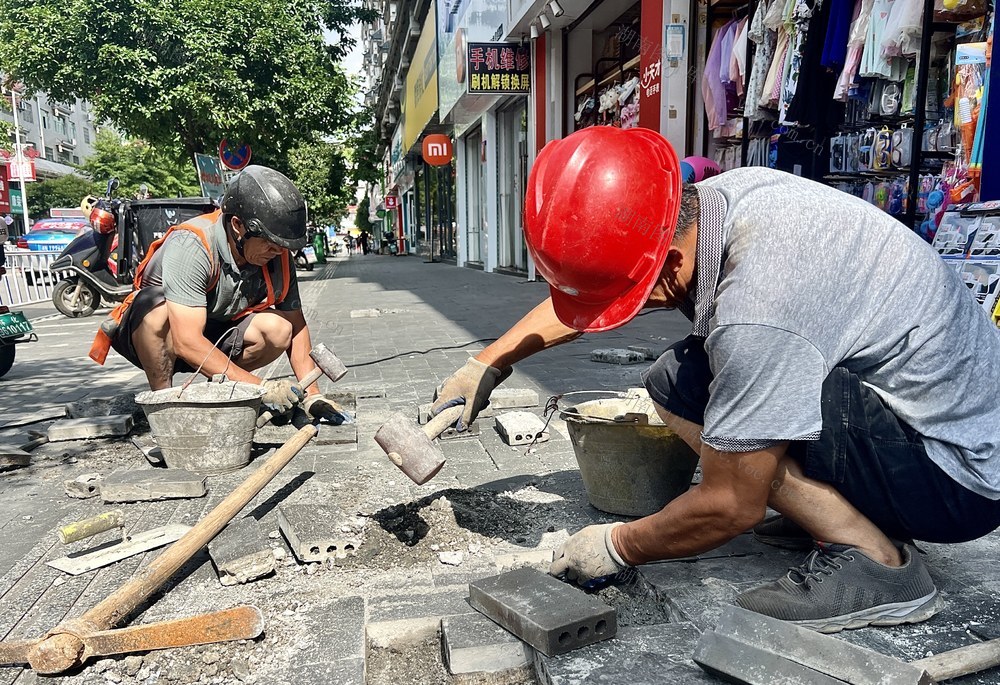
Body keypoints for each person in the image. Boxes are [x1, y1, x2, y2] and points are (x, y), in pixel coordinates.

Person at [429, 126, 1000, 633]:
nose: (631, 312)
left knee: (732, 419)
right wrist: (489, 362)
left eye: (635, 299)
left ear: (669, 265)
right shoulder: (720, 202)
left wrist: (615, 546)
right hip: (927, 412)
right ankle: (830, 508)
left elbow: (731, 505)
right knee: (680, 379)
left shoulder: (758, 303)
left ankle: (878, 562)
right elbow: (593, 293)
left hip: (957, 476)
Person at [89, 165, 345, 422]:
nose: (277, 252)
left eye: (282, 246)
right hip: (160, 337)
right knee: (158, 313)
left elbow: (297, 325)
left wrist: (312, 395)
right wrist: (261, 389)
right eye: (270, 243)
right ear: (238, 226)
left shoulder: (277, 255)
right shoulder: (192, 245)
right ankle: (167, 408)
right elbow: (186, 340)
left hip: (216, 333)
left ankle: (224, 393)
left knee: (278, 328)